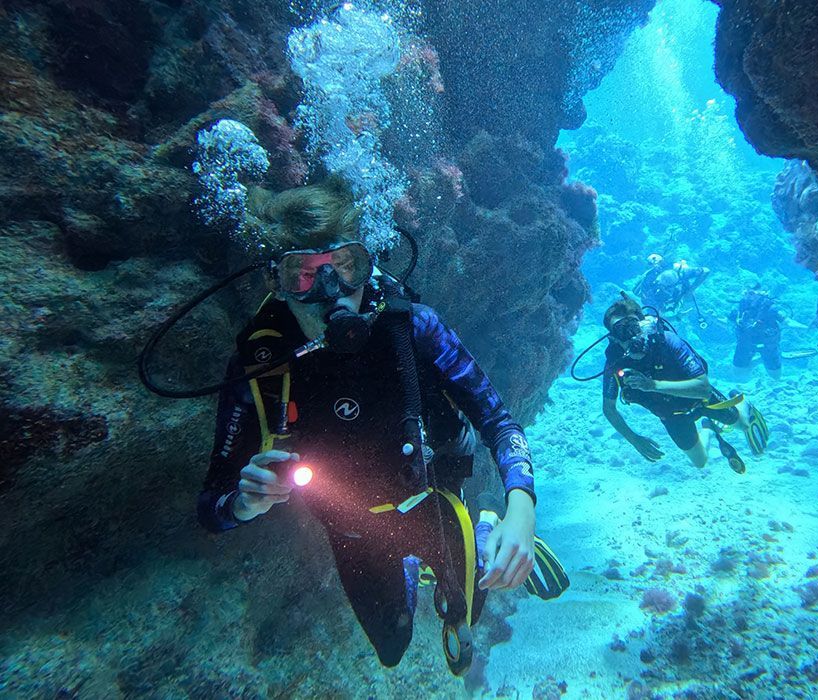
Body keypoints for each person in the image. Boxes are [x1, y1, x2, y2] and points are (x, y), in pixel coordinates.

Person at [197, 207, 538, 676]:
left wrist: (521, 509)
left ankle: (484, 525)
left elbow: (499, 421)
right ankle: (409, 571)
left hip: (432, 503)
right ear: (276, 281)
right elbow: (211, 508)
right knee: (392, 650)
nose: (331, 294)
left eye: (346, 267)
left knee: (465, 624)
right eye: (304, 276)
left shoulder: (414, 328)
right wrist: (243, 502)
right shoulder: (262, 362)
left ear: (367, 265)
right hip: (351, 529)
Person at [601, 294, 768, 472]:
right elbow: (609, 408)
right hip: (672, 415)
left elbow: (703, 389)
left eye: (632, 327)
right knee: (700, 462)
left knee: (742, 425)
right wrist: (634, 439)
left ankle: (743, 404)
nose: (630, 336)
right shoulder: (615, 362)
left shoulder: (667, 341)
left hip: (700, 399)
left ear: (644, 325)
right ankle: (708, 430)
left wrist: (652, 385)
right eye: (620, 330)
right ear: (613, 338)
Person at [730, 287, 808, 381]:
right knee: (738, 374)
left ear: (761, 294)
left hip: (769, 346)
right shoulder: (739, 309)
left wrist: (806, 328)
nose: (748, 296)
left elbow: (788, 322)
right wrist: (713, 318)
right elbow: (727, 322)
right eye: (745, 293)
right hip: (745, 344)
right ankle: (759, 360)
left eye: (751, 293)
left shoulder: (771, 308)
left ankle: (768, 358)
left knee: (775, 377)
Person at [633, 255, 711, 318]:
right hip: (659, 299)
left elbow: (706, 271)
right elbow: (655, 315)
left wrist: (691, 290)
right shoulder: (649, 290)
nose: (669, 291)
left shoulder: (682, 272)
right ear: (660, 285)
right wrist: (676, 317)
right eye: (667, 289)